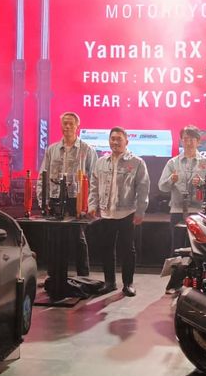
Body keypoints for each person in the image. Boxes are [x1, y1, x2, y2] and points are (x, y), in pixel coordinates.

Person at [88, 127, 150, 297]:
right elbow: (94, 186)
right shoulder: (101, 162)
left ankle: (128, 284)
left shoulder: (137, 162)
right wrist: (92, 205)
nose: (115, 142)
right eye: (112, 139)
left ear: (126, 141)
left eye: (119, 139)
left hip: (127, 212)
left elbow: (143, 188)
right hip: (106, 213)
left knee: (127, 250)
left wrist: (140, 211)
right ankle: (109, 283)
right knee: (106, 249)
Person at [36, 112, 97, 277]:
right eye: (65, 123)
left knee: (78, 237)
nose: (67, 126)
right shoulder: (52, 149)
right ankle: (55, 275)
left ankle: (83, 276)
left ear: (77, 126)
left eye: (71, 123)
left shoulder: (87, 150)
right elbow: (43, 175)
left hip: (77, 199)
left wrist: (91, 204)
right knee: (55, 238)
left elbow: (94, 178)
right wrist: (42, 200)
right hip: (55, 197)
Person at [159, 125, 206, 252]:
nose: (189, 142)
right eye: (185, 139)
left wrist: (203, 183)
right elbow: (162, 186)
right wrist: (171, 180)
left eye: (192, 139)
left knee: (198, 249)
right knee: (176, 249)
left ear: (198, 141)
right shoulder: (173, 163)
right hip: (177, 212)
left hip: (199, 212)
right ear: (181, 141)